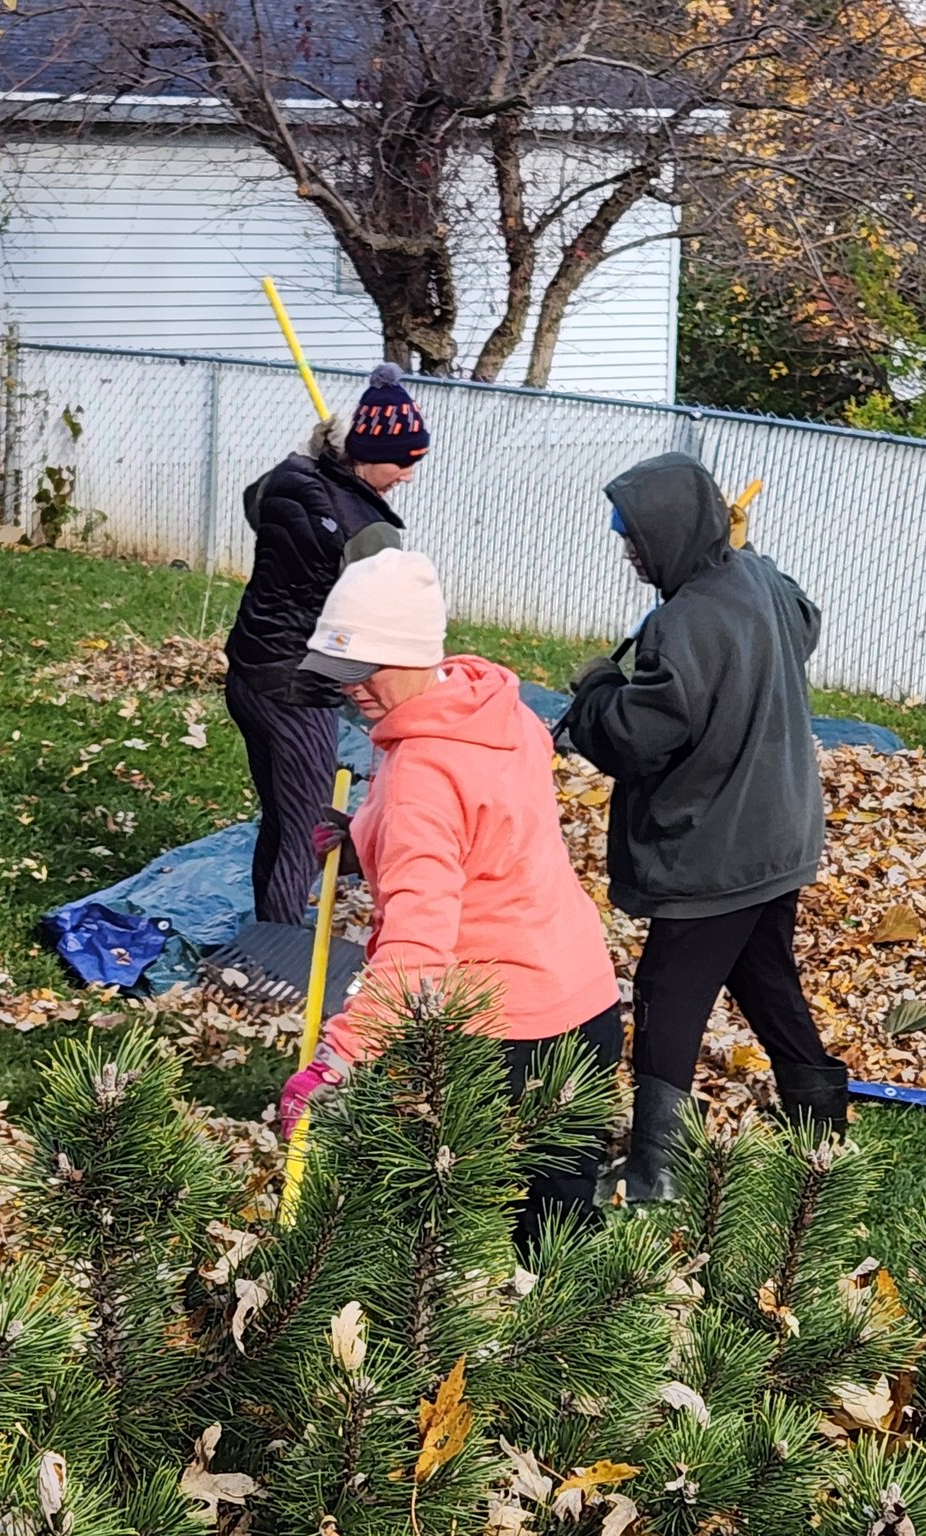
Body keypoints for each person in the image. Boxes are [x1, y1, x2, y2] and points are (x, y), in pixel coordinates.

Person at [274, 550, 622, 1238]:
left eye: (367, 666)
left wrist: (338, 1058)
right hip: (585, 1005)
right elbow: (487, 831)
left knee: (421, 1237)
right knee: (559, 1234)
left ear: (408, 651)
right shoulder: (492, 709)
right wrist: (365, 841)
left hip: (498, 1038)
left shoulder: (419, 776)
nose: (353, 689)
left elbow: (417, 952)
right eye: (343, 671)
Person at [560, 451, 848, 1204]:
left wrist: (595, 691)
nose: (628, 551)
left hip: (717, 846)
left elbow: (634, 739)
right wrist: (752, 552)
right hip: (779, 832)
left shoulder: (683, 625)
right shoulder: (754, 580)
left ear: (675, 534)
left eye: (637, 538)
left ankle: (656, 1174)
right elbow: (805, 617)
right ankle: (822, 1127)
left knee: (666, 991)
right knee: (764, 973)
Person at [225, 363, 425, 926]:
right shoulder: (370, 533)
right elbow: (387, 622)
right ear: (365, 453)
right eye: (403, 463)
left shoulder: (288, 477)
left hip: (248, 671)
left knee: (280, 814)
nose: (408, 477)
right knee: (307, 827)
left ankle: (270, 920)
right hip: (298, 691)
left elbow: (254, 507)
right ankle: (280, 946)